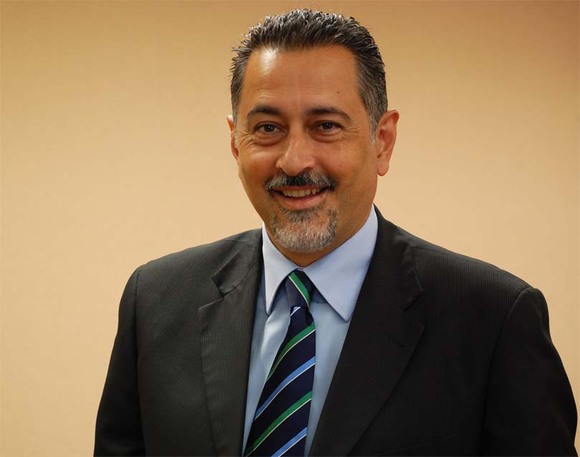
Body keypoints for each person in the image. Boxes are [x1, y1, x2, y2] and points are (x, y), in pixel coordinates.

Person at [94, 8, 577, 456]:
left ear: (382, 141)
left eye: (325, 126)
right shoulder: (155, 301)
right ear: (235, 144)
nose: (294, 161)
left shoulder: (494, 319)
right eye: (267, 128)